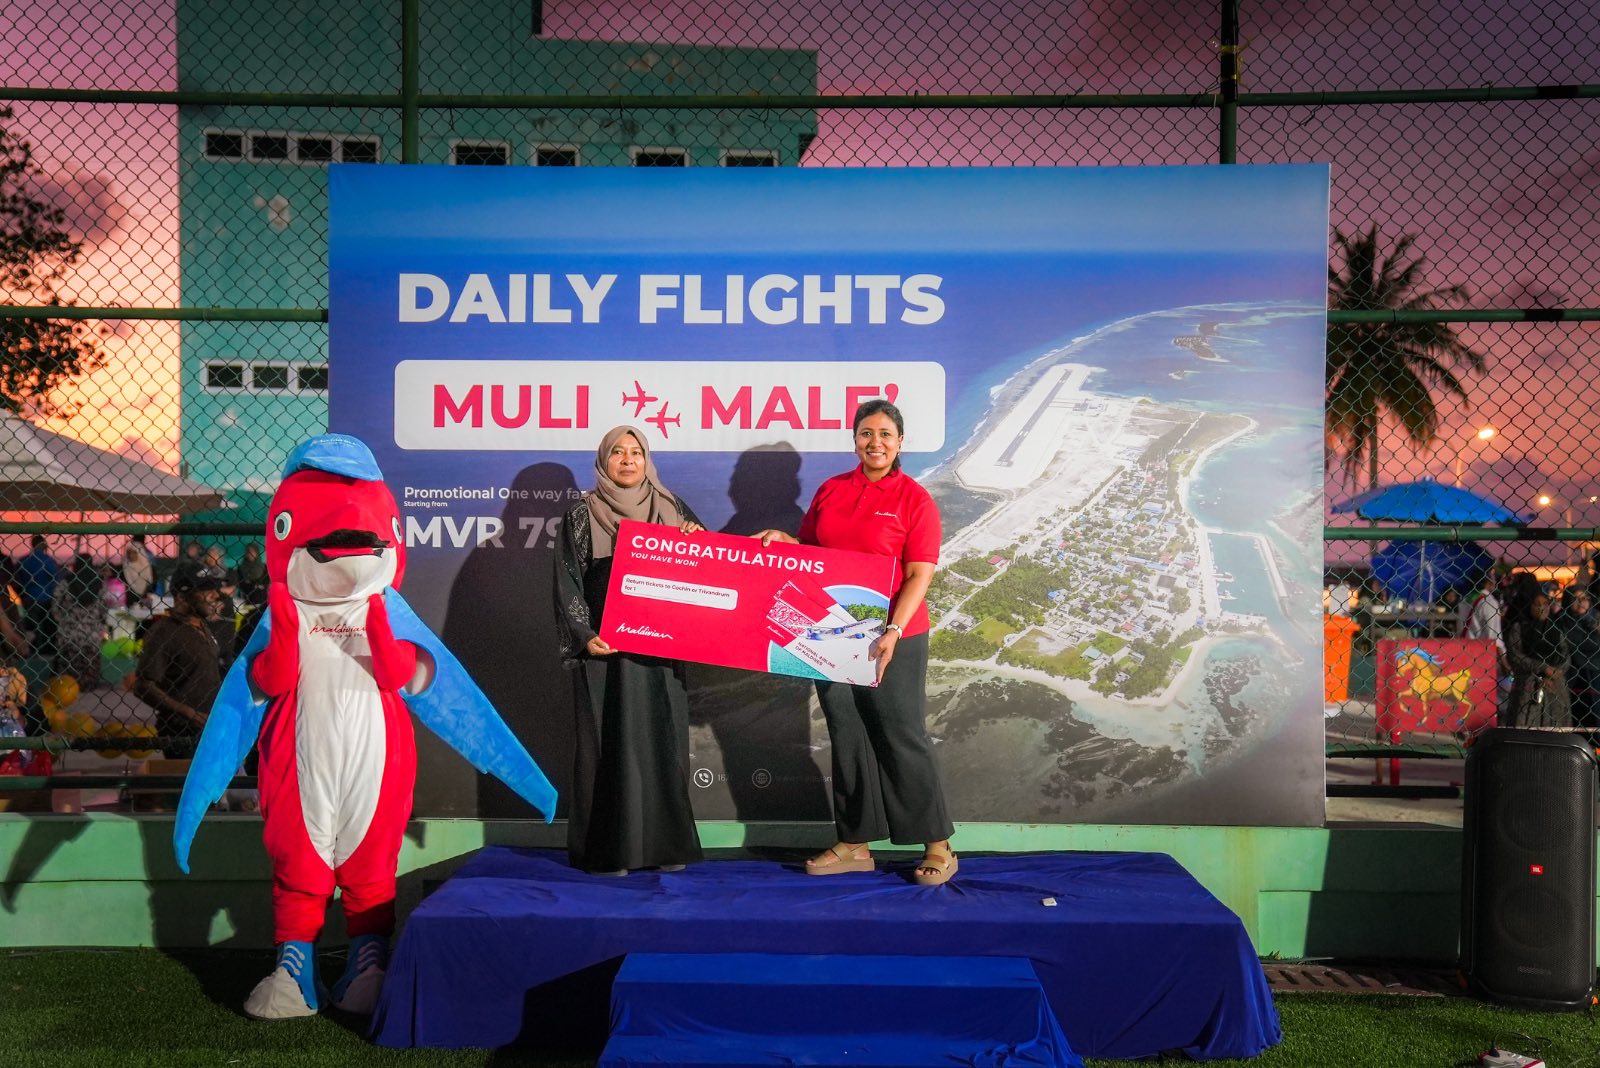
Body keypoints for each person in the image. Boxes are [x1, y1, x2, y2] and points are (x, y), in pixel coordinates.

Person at [755, 399, 957, 886]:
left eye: (885, 434)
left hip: (894, 634)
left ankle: (938, 844)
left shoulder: (915, 499)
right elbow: (812, 555)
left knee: (899, 733)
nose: (875, 442)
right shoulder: (831, 489)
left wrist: (893, 631)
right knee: (846, 733)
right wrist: (786, 542)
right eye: (867, 433)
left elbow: (919, 574)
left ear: (900, 442)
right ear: (855, 440)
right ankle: (854, 841)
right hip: (831, 630)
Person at [552, 425, 707, 875]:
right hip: (606, 649)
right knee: (607, 747)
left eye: (636, 452)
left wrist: (696, 541)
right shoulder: (582, 514)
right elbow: (567, 581)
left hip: (662, 651)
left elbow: (706, 576)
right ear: (604, 460)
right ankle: (608, 852)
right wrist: (584, 634)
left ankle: (665, 849)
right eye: (617, 452)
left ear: (647, 460)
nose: (627, 460)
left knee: (661, 743)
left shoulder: (673, 509)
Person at [133, 568, 225, 756]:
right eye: (205, 590)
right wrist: (190, 714)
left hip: (212, 724)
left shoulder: (201, 625)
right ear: (182, 597)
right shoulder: (164, 632)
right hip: (182, 730)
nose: (215, 595)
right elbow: (143, 686)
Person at [1503, 586, 1570, 729]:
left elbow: (1565, 654)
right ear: (1529, 606)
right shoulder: (1519, 628)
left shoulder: (1556, 628)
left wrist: (1556, 672)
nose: (1542, 608)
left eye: (1545, 604)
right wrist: (1543, 668)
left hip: (1555, 685)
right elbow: (1515, 655)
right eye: (1537, 605)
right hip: (1529, 684)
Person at [50, 554, 105, 690]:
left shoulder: (67, 582)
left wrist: (60, 618)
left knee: (67, 661)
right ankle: (88, 684)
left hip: (69, 630)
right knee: (89, 660)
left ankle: (67, 686)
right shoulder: (98, 583)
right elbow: (103, 608)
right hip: (91, 632)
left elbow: (55, 603)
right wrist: (99, 623)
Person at [1557, 586, 1600, 731]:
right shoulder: (1562, 621)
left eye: (1584, 598)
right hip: (1573, 674)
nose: (1581, 602)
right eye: (1575, 599)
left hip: (1596, 673)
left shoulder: (1596, 619)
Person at [16, 534, 61, 654]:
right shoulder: (49, 561)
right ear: (44, 544)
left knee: (32, 626)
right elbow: (56, 579)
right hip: (47, 597)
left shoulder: (24, 561)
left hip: (29, 597)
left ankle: (32, 650)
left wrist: (23, 593)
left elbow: (17, 579)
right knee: (48, 625)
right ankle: (48, 650)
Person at [122, 536, 155, 606]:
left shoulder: (149, 570)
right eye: (129, 553)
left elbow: (152, 584)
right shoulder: (124, 569)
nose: (131, 555)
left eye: (134, 553)